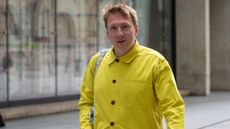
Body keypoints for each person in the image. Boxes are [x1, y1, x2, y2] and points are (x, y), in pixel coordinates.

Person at [79, 3, 184, 129]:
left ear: (136, 29)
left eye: (125, 26)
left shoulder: (156, 63)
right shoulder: (96, 62)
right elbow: (86, 102)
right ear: (107, 33)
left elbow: (173, 106)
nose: (120, 33)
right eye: (113, 28)